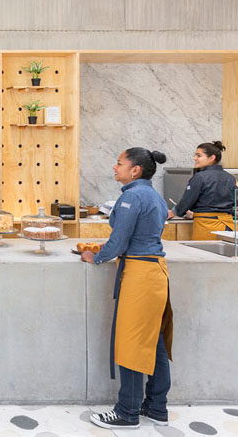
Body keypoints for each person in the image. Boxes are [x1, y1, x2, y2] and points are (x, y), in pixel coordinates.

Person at [82, 147, 173, 431]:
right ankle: (156, 407)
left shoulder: (132, 196)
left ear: (135, 170)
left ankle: (127, 412)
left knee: (132, 343)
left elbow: (118, 243)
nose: (114, 168)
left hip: (140, 275)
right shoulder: (153, 195)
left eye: (119, 164)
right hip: (156, 272)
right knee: (153, 342)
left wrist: (94, 256)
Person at [169, 139, 236, 240]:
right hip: (228, 227)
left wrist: (172, 212)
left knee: (205, 255)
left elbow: (187, 201)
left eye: (199, 155)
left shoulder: (200, 177)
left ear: (212, 158)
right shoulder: (230, 178)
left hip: (207, 226)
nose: (194, 158)